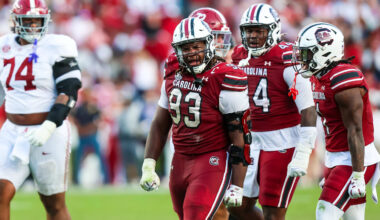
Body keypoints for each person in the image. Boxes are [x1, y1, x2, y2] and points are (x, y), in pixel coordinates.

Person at [140, 17, 251, 219]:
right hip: (180, 158)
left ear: (208, 44)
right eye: (185, 48)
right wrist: (149, 163)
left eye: (196, 46)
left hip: (211, 158)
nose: (191, 53)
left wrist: (237, 185)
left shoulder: (224, 76)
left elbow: (240, 136)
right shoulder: (173, 70)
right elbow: (159, 123)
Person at [229, 3, 317, 220]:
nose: (253, 36)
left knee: (273, 212)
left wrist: (304, 153)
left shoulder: (288, 57)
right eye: (249, 30)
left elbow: (307, 108)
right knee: (236, 206)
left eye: (259, 30)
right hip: (250, 139)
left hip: (282, 140)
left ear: (274, 29)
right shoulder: (240, 55)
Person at [0, 0, 81, 219]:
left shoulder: (58, 45)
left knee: (54, 205)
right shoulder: (3, 45)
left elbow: (70, 90)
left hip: (49, 131)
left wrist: (49, 125)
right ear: (15, 21)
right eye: (28, 20)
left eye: (38, 20)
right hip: (11, 130)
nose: (34, 25)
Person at [293, 22, 380, 220]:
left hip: (355, 159)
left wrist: (358, 175)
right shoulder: (319, 75)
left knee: (324, 213)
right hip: (338, 156)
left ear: (324, 52)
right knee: (354, 218)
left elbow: (355, 130)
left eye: (307, 54)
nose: (302, 59)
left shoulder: (343, 78)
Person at [164, 7, 243, 220]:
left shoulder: (230, 69)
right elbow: (164, 113)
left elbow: (241, 129)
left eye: (220, 37)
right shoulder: (177, 67)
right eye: (213, 38)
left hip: (227, 149)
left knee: (233, 207)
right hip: (190, 149)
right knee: (211, 210)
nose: (220, 45)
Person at [71, 88, 109, 185]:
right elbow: (74, 119)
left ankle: (106, 179)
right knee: (78, 159)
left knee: (100, 157)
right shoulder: (79, 109)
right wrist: (81, 128)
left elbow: (100, 120)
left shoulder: (94, 108)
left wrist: (88, 128)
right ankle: (76, 180)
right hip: (82, 137)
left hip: (92, 136)